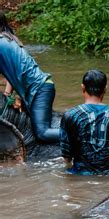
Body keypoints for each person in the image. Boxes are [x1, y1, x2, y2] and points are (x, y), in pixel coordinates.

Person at [0, 10, 59, 143]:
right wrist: (7, 93)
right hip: (41, 88)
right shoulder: (10, 40)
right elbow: (12, 71)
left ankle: (81, 133)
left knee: (42, 133)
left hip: (40, 89)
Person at [60, 69, 109, 175]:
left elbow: (66, 155)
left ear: (83, 87)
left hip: (80, 174)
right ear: (105, 89)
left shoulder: (70, 115)